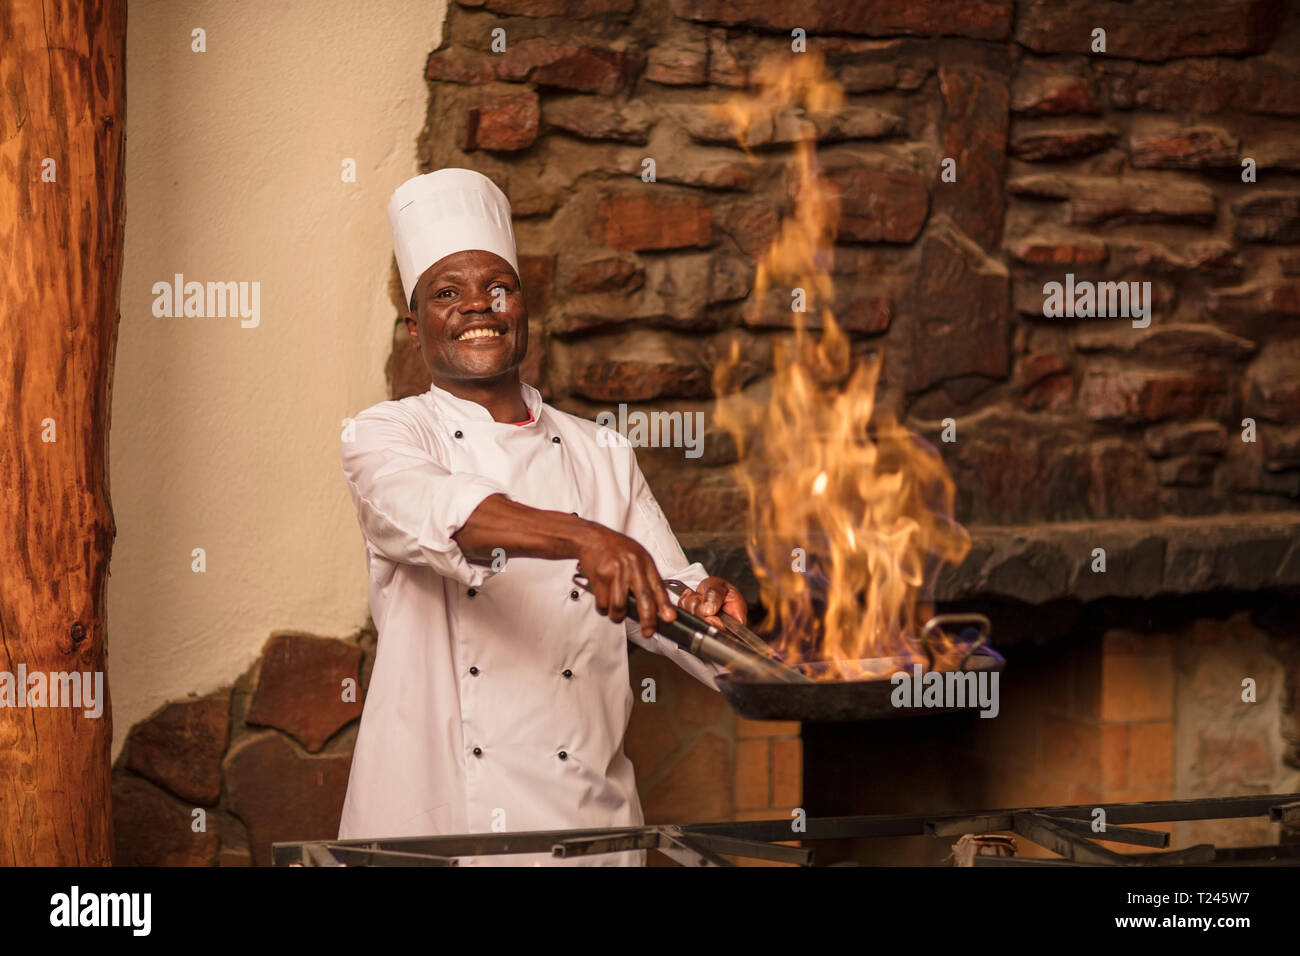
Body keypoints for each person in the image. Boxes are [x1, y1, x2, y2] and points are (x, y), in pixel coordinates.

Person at [336, 167, 748, 866]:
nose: (478, 306)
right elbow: (448, 516)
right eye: (447, 293)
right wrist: (586, 537)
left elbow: (665, 600)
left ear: (523, 307)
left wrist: (713, 617)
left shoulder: (601, 451)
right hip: (439, 828)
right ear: (415, 327)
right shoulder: (384, 436)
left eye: (498, 287)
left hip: (585, 825)